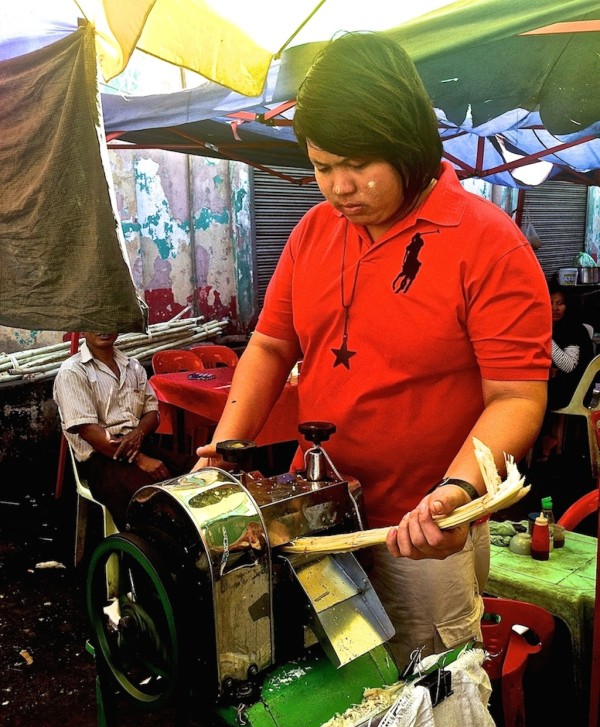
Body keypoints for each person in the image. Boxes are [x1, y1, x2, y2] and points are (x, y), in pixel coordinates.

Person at [194, 32, 551, 669]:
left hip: (419, 533)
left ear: (407, 145)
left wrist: (455, 494)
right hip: (320, 512)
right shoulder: (312, 231)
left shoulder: (488, 243)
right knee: (336, 684)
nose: (338, 187)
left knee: (428, 694)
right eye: (322, 165)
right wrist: (225, 450)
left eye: (357, 164)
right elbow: (272, 346)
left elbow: (517, 396)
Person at [54, 332, 194, 530]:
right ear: (83, 329)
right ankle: (157, 555)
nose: (104, 329)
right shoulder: (73, 371)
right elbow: (89, 432)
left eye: (110, 321)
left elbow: (152, 412)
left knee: (199, 473)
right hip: (103, 458)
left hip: (141, 443)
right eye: (96, 323)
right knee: (153, 501)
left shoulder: (133, 365)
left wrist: (138, 434)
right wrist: (140, 460)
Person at [537, 280, 594, 459]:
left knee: (531, 396)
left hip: (575, 389)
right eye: (550, 302)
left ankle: (542, 441)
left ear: (568, 305)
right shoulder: (554, 328)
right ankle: (546, 438)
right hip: (558, 383)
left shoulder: (573, 329)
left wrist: (546, 337)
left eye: (560, 303)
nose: (555, 308)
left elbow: (568, 366)